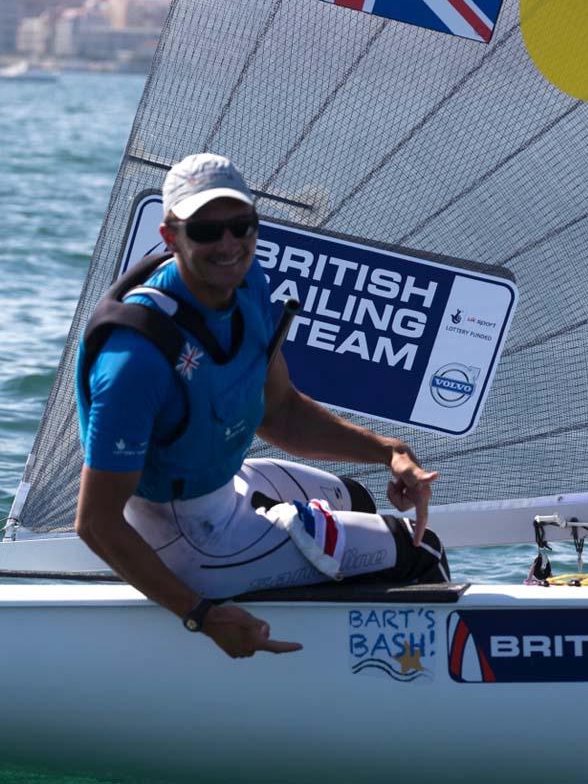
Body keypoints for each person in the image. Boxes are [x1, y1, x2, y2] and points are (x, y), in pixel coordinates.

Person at [75, 153, 449, 660]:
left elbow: (282, 413)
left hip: (225, 489)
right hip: (185, 538)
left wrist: (390, 451)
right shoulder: (135, 361)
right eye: (206, 229)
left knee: (356, 500)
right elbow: (96, 522)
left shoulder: (248, 285)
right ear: (170, 236)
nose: (228, 244)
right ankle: (401, 691)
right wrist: (200, 615)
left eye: (240, 225)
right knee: (421, 552)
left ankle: (325, 635)